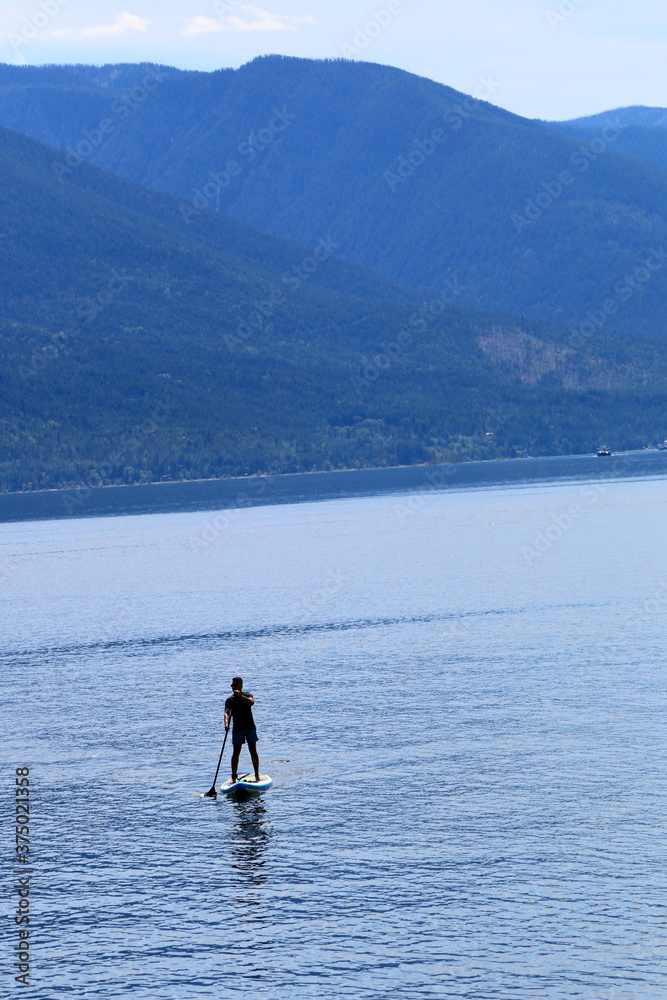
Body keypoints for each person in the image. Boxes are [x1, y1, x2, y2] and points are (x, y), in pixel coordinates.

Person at [224, 676, 261, 783]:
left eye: (235, 685)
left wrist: (240, 696)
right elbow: (227, 712)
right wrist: (226, 724)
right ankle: (234, 777)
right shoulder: (230, 699)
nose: (233, 687)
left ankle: (257, 775)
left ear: (240, 686)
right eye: (232, 685)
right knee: (236, 752)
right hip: (237, 729)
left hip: (249, 727)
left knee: (253, 750)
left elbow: (252, 702)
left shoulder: (247, 695)